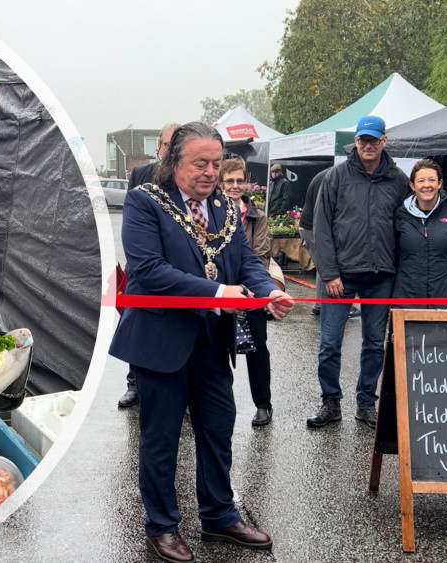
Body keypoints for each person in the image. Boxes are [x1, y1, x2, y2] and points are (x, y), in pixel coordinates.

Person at [109, 122, 294, 562]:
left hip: (213, 341)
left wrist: (267, 293)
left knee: (217, 430)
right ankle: (162, 525)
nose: (211, 172)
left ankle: (218, 515)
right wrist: (217, 293)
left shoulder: (228, 211)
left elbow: (245, 262)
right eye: (200, 163)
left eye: (216, 163)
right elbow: (148, 271)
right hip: (161, 341)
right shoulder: (144, 203)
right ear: (174, 161)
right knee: (160, 438)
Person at [309, 115, 409, 430]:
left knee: (374, 343)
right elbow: (320, 228)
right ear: (355, 142)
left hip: (380, 275)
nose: (367, 145)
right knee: (329, 342)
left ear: (384, 141)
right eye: (362, 140)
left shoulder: (398, 180)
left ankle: (366, 403)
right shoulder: (336, 177)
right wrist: (329, 274)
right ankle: (330, 401)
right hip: (341, 276)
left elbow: (411, 222)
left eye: (373, 139)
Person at [119, 121, 179, 409]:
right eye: (167, 145)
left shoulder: (184, 178)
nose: (169, 151)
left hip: (174, 267)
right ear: (158, 146)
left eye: (176, 146)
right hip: (142, 266)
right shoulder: (141, 175)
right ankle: (134, 384)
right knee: (138, 326)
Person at [219, 158, 274, 426]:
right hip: (219, 292)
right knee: (215, 347)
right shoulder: (211, 213)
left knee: (257, 349)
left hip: (252, 293)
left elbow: (261, 255)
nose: (235, 185)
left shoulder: (257, 216)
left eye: (239, 180)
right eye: (229, 181)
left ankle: (263, 404)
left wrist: (246, 288)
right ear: (221, 183)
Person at [393, 158, 447, 301]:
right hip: (407, 298)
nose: (427, 185)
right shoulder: (400, 216)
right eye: (421, 181)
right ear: (412, 185)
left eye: (431, 180)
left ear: (440, 183)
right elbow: (393, 256)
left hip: (446, 298)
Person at [299, 168, 360, 318]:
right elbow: (323, 210)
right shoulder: (334, 177)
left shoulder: (326, 175)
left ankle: (321, 304)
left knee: (324, 264)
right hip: (313, 227)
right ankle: (321, 304)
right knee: (325, 263)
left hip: (310, 225)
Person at [128, 122, 180, 189]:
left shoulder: (190, 178)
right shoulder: (139, 174)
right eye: (168, 145)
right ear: (159, 146)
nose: (172, 150)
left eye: (177, 145)